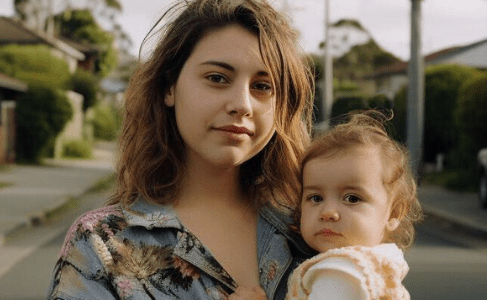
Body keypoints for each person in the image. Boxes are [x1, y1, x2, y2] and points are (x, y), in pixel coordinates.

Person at [46, 0, 316, 298]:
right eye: (217, 78)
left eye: (263, 86)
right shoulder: (102, 244)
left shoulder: (313, 232)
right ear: (169, 88)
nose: (242, 104)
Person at [285, 111, 424, 300]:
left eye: (352, 198)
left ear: (393, 213)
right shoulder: (381, 266)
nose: (328, 212)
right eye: (316, 198)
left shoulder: (340, 272)